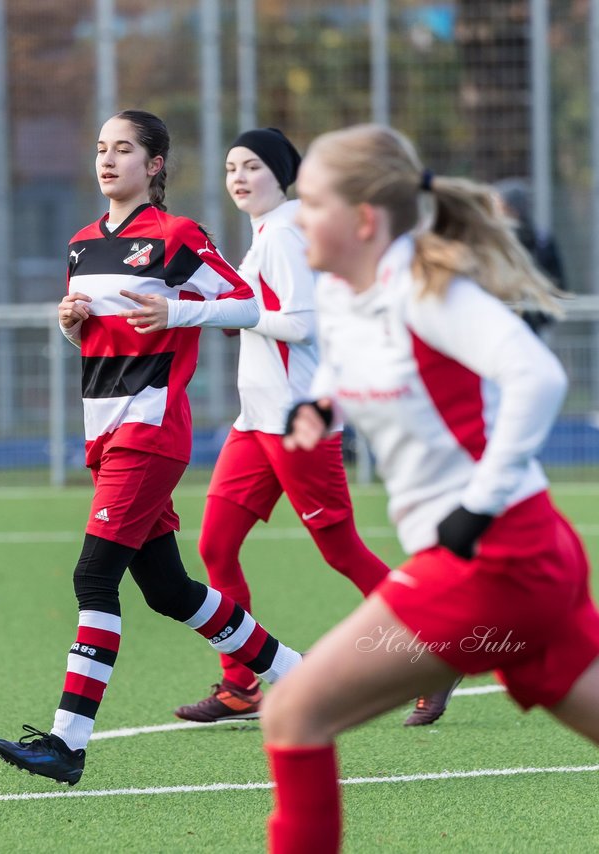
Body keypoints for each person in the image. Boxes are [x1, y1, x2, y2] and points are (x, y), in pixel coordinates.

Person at [262, 124, 599, 851]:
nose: (297, 216)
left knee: (293, 714)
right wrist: (322, 404)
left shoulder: (428, 292)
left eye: (310, 201)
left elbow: (539, 376)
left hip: (493, 562)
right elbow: (349, 359)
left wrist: (479, 503)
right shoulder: (342, 291)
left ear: (364, 220)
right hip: (525, 566)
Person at [0, 110, 303, 787]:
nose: (108, 160)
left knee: (93, 578)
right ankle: (296, 676)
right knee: (167, 590)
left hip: (151, 430)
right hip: (105, 429)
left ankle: (68, 745)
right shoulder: (80, 244)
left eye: (124, 149)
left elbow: (248, 306)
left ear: (155, 164)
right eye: (101, 148)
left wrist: (179, 310)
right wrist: (70, 326)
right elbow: (101, 346)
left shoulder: (176, 236)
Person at [175, 128, 453, 728]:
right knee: (216, 546)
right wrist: (225, 308)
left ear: (283, 175)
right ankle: (241, 684)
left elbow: (300, 325)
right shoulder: (267, 233)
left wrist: (209, 310)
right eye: (230, 168)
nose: (239, 178)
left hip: (295, 421)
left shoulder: (283, 231)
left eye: (253, 166)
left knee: (342, 551)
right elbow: (263, 315)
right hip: (256, 424)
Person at [493, 177, 568, 335]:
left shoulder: (539, 241)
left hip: (523, 323)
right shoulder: (492, 240)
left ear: (511, 208)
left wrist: (540, 317)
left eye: (499, 205)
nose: (495, 211)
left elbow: (557, 282)